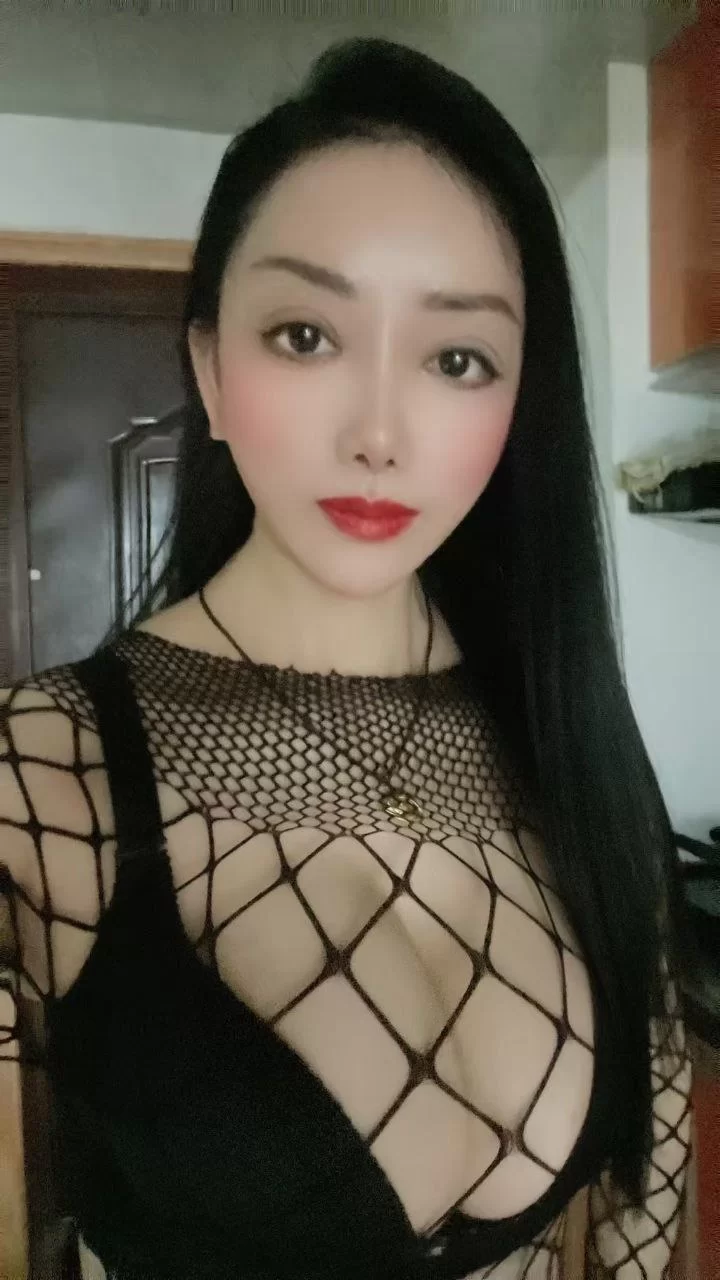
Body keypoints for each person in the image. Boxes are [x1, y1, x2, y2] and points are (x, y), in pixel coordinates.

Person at [0, 35, 693, 1280]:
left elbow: (651, 1173)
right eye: (306, 334)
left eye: (458, 357)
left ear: (518, 401)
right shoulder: (39, 770)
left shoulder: (572, 745)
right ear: (211, 369)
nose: (379, 432)